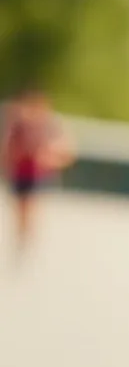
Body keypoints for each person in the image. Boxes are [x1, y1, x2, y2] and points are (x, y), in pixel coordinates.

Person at [1, 87, 75, 259]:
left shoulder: (47, 124)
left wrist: (49, 157)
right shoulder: (19, 124)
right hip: (20, 173)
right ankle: (22, 239)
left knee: (30, 208)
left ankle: (26, 240)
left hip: (35, 174)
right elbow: (8, 149)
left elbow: (66, 149)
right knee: (21, 209)